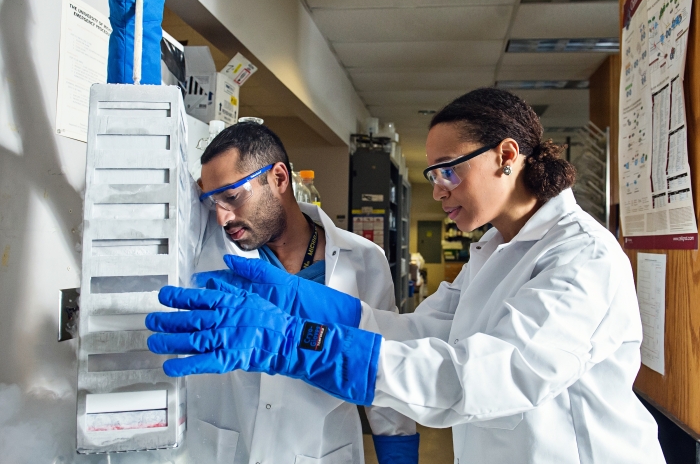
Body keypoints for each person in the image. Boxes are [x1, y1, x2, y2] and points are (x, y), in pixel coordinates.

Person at [148, 89, 666, 464]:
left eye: (448, 170)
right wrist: (299, 298)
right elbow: (414, 332)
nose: (438, 189)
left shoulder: (582, 258)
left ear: (507, 156)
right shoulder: (494, 251)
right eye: (432, 175)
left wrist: (292, 343)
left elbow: (472, 375)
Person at [184, 122, 418, 464]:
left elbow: (382, 363)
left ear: (279, 179)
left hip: (321, 450)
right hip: (228, 448)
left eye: (232, 197)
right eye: (213, 202)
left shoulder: (365, 261)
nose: (222, 217)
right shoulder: (213, 245)